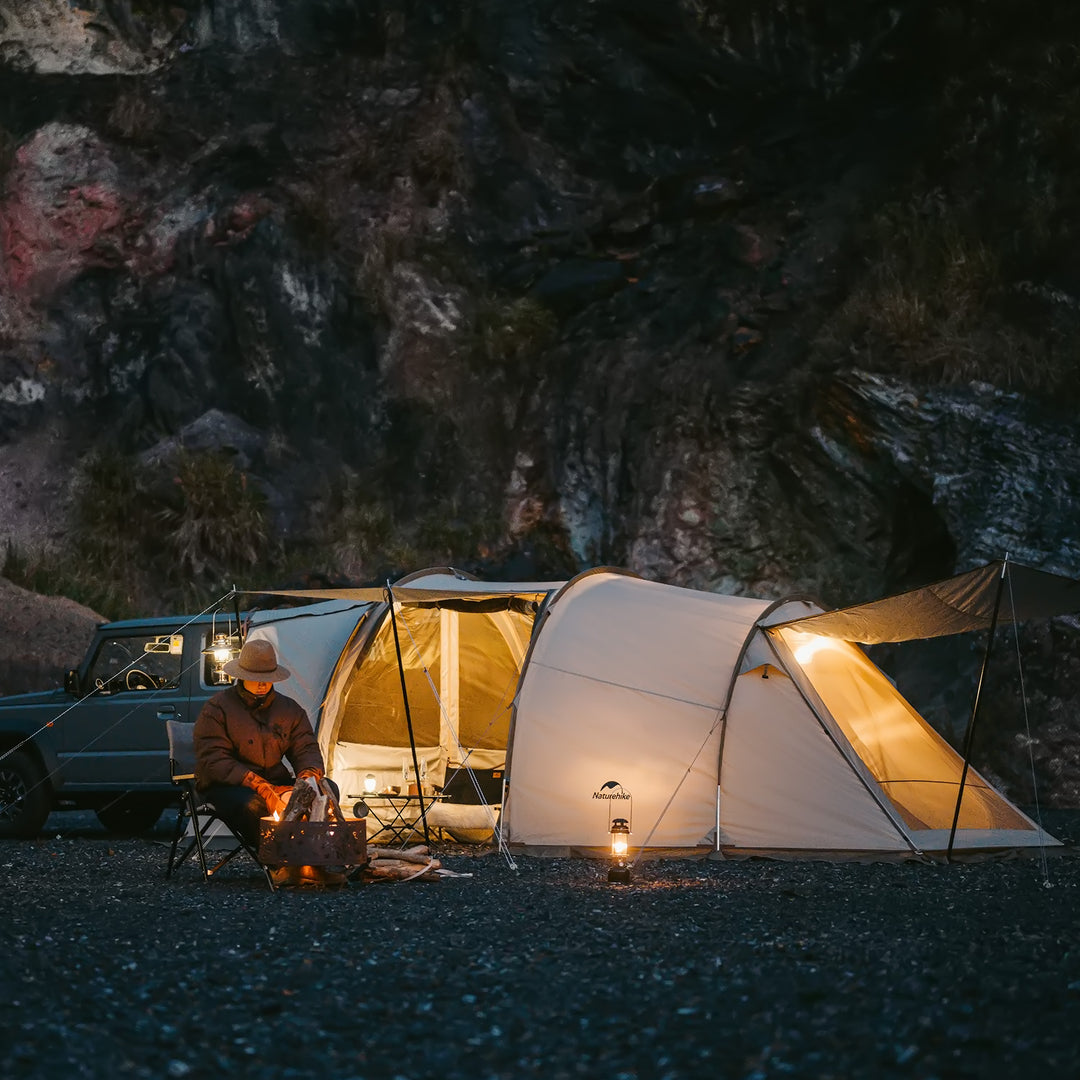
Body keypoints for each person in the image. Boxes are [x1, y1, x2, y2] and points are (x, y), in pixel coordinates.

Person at [193, 638, 342, 886]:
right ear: (242, 675)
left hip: (275, 779)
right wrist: (258, 784)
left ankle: (316, 861)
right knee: (252, 803)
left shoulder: (288, 709)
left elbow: (305, 747)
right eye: (255, 676)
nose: (262, 683)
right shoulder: (218, 708)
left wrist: (308, 778)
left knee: (328, 790)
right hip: (228, 786)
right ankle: (280, 863)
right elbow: (214, 759)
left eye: (267, 676)